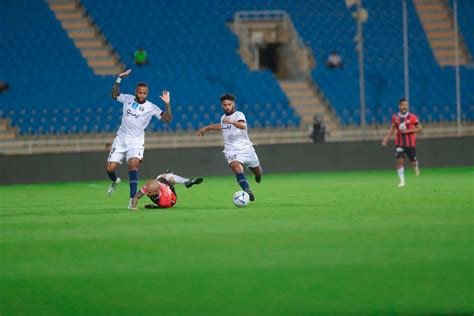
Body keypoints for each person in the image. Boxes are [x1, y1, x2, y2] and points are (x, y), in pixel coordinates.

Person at [106, 68, 172, 209]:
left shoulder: (151, 107)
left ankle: (132, 200)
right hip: (121, 138)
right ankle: (115, 181)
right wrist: (119, 78)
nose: (142, 95)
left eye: (145, 93)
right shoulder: (128, 99)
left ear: (147, 94)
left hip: (136, 141)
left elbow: (167, 119)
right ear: (136, 91)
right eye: (140, 92)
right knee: (110, 169)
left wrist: (167, 104)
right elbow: (114, 95)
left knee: (133, 165)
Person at [196, 93, 262, 201]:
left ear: (233, 104)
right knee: (237, 168)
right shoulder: (223, 118)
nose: (227, 107)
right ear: (222, 105)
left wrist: (232, 121)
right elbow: (221, 126)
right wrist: (206, 128)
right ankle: (248, 191)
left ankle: (258, 175)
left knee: (258, 171)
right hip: (231, 150)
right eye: (225, 105)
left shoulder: (239, 115)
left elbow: (243, 125)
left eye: (229, 104)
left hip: (246, 149)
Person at [382, 98, 422, 187]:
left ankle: (416, 165)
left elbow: (420, 128)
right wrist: (386, 138)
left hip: (410, 143)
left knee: (413, 162)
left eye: (406, 105)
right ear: (399, 106)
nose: (404, 107)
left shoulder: (412, 117)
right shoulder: (395, 117)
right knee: (399, 161)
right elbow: (393, 128)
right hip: (399, 143)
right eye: (403, 105)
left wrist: (408, 131)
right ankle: (402, 182)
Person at [130, 172, 203, 211]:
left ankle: (172, 176)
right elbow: (137, 196)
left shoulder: (164, 200)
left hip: (172, 198)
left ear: (156, 192)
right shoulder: (148, 187)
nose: (146, 193)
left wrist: (152, 206)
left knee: (169, 179)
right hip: (162, 184)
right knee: (163, 177)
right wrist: (133, 207)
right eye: (147, 191)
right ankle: (186, 181)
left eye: (149, 192)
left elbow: (165, 206)